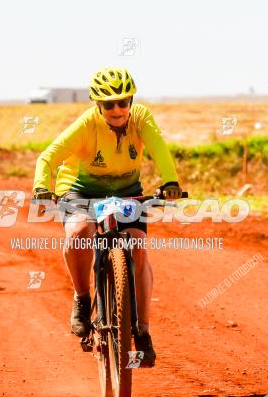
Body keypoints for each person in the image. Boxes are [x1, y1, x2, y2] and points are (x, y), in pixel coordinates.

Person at [32, 67, 183, 367]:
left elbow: (160, 151)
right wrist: (41, 186)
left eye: (123, 102)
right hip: (80, 189)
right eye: (109, 104)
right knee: (79, 233)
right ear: (98, 105)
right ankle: (82, 298)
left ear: (131, 101)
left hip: (126, 191)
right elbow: (47, 157)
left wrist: (170, 182)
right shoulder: (87, 125)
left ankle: (142, 331)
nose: (117, 109)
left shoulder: (141, 119)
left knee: (138, 248)